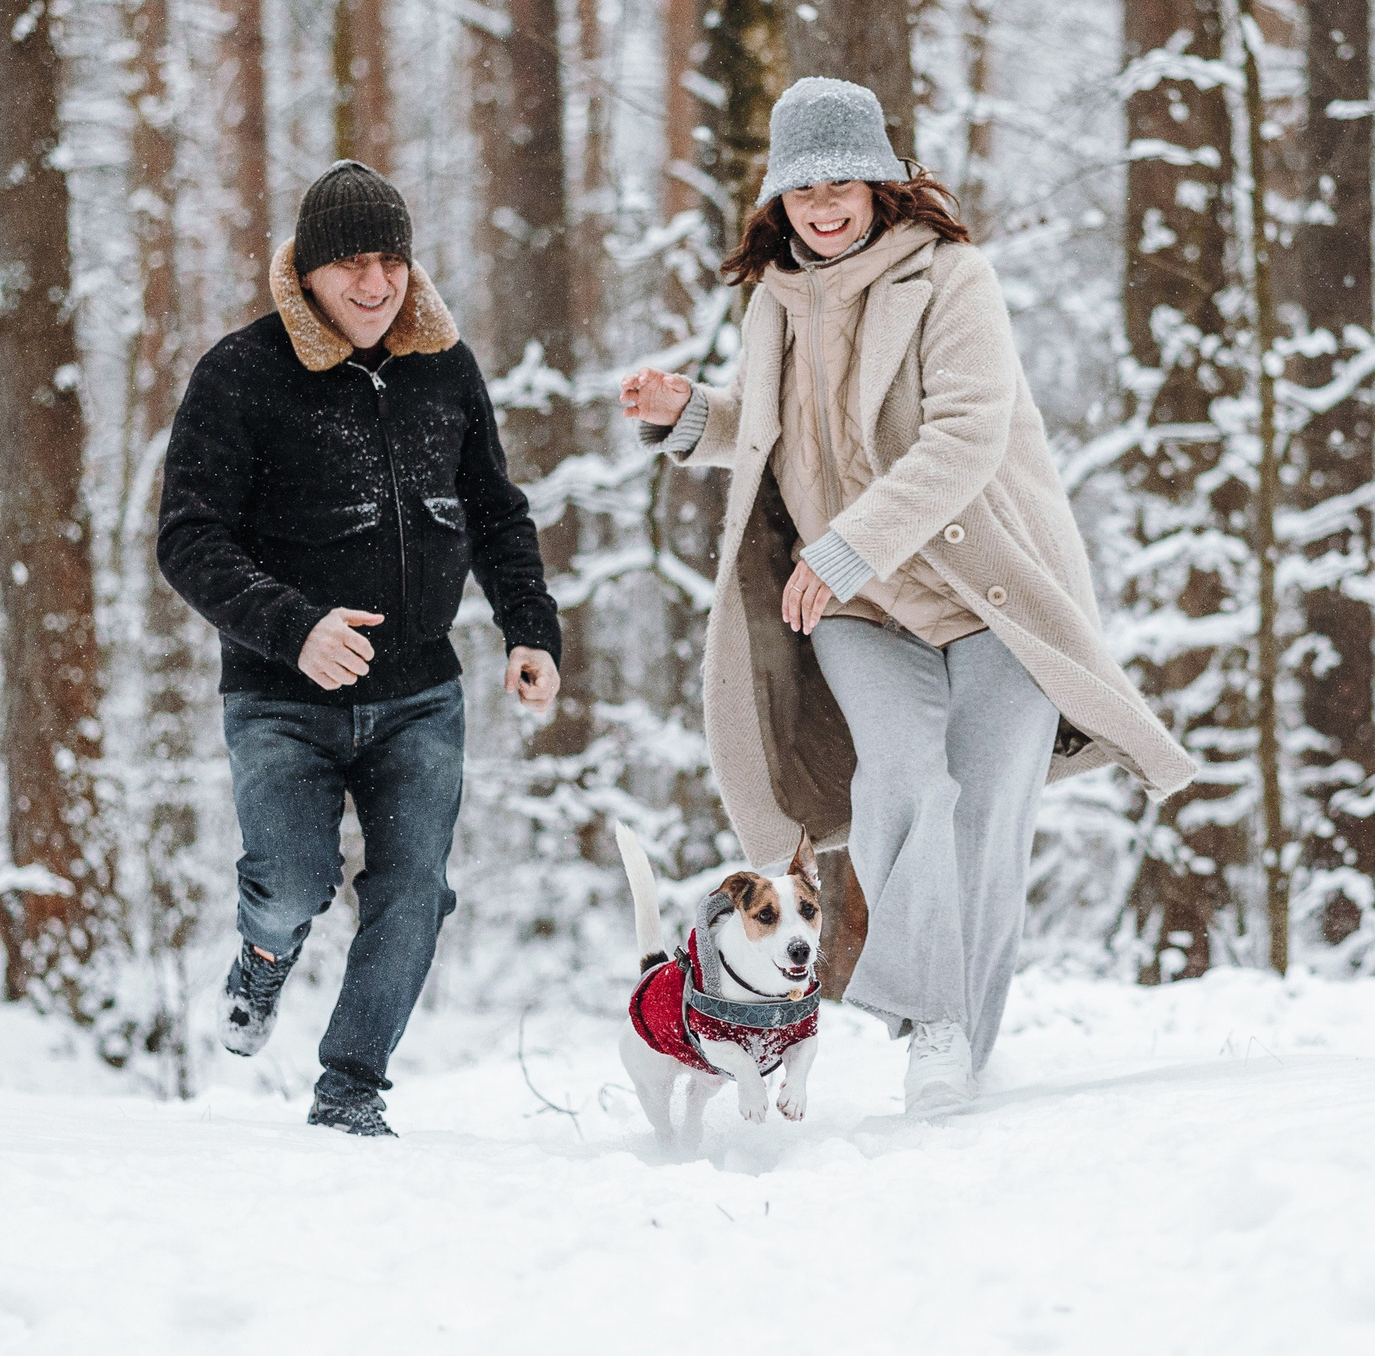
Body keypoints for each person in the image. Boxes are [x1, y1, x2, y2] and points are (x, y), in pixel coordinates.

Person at [620, 77, 1197, 1114]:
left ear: (883, 184)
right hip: (854, 605)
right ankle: (930, 1023)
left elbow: (965, 435)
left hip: (992, 593)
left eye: (844, 182)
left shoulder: (950, 277)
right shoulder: (772, 301)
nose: (825, 206)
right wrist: (688, 413)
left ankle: (957, 1040)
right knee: (899, 779)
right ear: (778, 202)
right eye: (804, 191)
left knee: (983, 812)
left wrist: (844, 544)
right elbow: (771, 429)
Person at [159, 160, 562, 1137]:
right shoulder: (241, 372)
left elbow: (493, 511)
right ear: (306, 274)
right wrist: (295, 627)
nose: (375, 285)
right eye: (350, 267)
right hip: (279, 695)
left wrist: (529, 627)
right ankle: (263, 952)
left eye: (389, 261)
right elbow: (187, 536)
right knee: (295, 879)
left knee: (413, 888)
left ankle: (350, 1087)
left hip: (421, 691)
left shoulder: (443, 368)